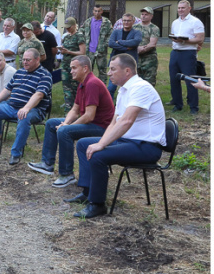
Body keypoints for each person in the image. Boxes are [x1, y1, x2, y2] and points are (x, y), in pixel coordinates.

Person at [67, 54, 166, 218]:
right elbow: (114, 122)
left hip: (147, 147)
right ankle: (88, 192)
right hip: (128, 141)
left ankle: (97, 205)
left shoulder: (141, 88)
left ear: (127, 71)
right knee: (84, 144)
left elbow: (126, 121)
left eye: (113, 69)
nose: (109, 73)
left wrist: (101, 145)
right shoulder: (123, 91)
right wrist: (102, 141)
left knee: (98, 155)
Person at [28, 55, 115, 188]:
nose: (71, 71)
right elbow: (75, 110)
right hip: (91, 123)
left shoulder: (92, 83)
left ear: (85, 68)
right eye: (70, 68)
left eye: (74, 68)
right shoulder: (82, 83)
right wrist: (66, 123)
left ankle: (67, 174)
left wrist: (68, 127)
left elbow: (89, 116)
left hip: (102, 127)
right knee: (52, 123)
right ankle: (47, 163)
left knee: (64, 132)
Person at [0, 49, 52, 165]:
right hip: (11, 106)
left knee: (24, 116)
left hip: (34, 110)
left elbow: (39, 94)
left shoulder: (45, 75)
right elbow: (7, 90)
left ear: (37, 59)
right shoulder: (20, 72)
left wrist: (26, 108)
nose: (24, 62)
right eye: (23, 59)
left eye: (28, 60)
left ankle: (16, 152)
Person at [168, 0, 205, 114]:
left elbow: (200, 39)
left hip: (188, 53)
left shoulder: (195, 22)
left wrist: (185, 41)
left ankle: (193, 107)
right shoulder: (175, 22)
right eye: (179, 8)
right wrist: (175, 39)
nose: (180, 10)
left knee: (190, 80)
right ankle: (178, 104)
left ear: (189, 8)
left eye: (183, 8)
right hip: (175, 52)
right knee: (174, 79)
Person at [107, 13, 143, 97]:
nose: (126, 22)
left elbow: (135, 42)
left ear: (133, 21)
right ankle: (109, 108)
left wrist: (119, 41)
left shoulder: (137, 32)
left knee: (128, 88)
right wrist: (126, 48)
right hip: (116, 62)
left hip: (129, 64)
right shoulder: (116, 32)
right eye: (124, 20)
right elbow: (111, 43)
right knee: (111, 88)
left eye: (128, 20)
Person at [58, 17, 87, 110]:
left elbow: (82, 52)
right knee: (66, 88)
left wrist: (69, 52)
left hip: (75, 67)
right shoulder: (66, 36)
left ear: (74, 26)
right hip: (66, 66)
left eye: (69, 27)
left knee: (75, 88)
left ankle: (77, 109)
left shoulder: (79, 36)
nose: (67, 29)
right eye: (66, 27)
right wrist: (62, 50)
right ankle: (68, 109)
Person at [80, 4, 112, 84]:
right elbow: (81, 30)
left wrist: (105, 44)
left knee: (102, 71)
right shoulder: (88, 21)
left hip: (101, 51)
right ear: (93, 11)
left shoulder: (106, 22)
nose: (97, 13)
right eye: (95, 11)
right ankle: (87, 85)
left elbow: (110, 34)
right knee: (87, 70)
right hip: (89, 50)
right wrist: (83, 40)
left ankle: (102, 88)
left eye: (99, 11)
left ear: (102, 11)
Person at [133, 7, 160, 86]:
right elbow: (131, 41)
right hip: (136, 58)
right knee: (136, 81)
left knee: (149, 82)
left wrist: (141, 49)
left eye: (146, 15)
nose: (143, 16)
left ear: (151, 16)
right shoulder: (135, 27)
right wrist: (136, 49)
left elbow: (152, 44)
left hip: (149, 59)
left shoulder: (154, 28)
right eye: (142, 14)